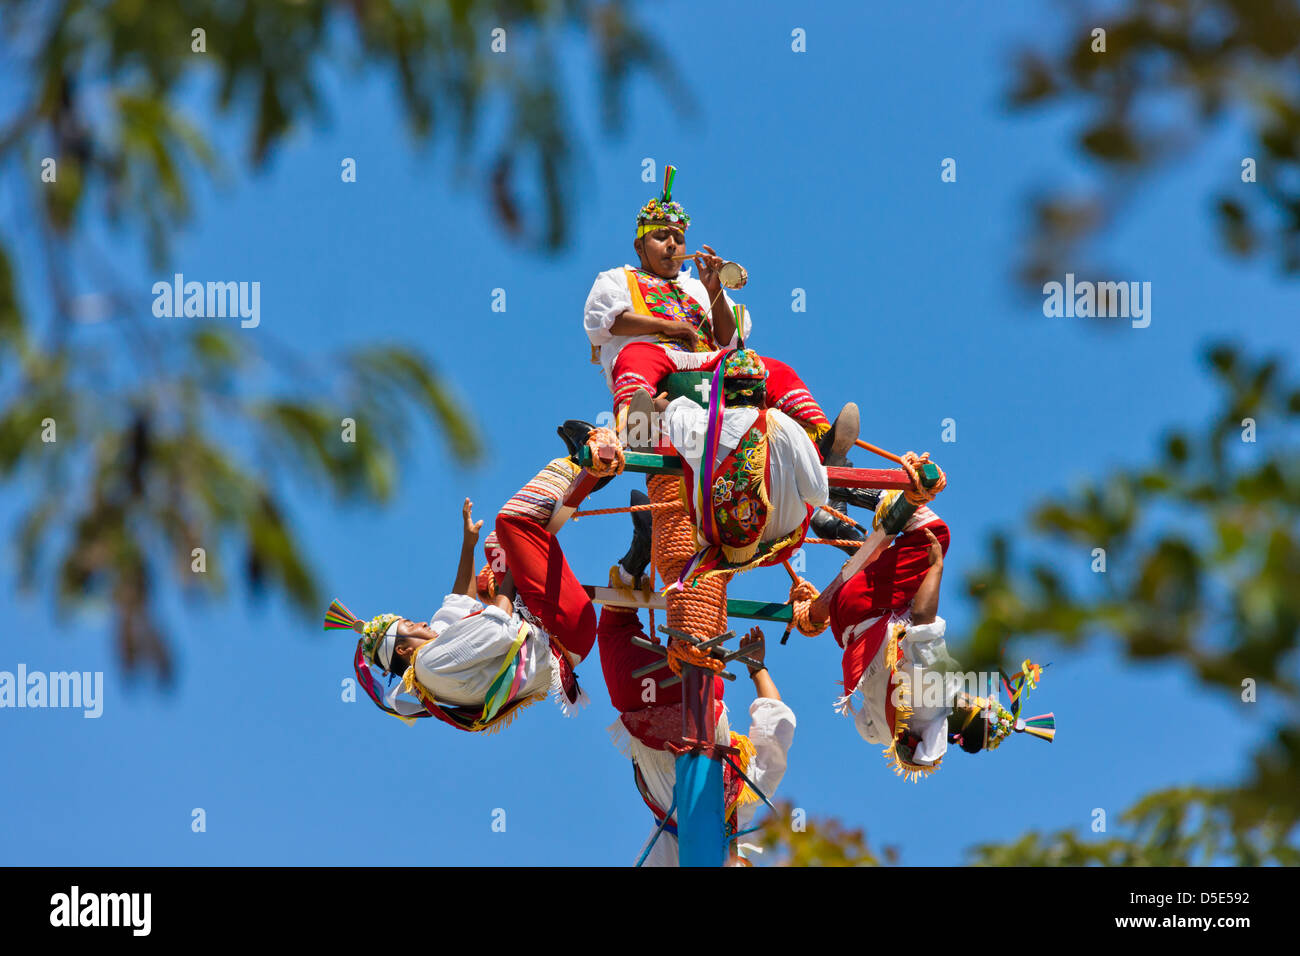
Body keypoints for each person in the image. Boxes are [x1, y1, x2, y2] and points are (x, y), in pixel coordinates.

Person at [325, 427, 628, 733]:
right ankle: (581, 461)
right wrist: (513, 573)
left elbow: (457, 602)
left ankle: (595, 490)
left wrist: (468, 545)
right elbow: (496, 627)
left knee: (494, 546)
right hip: (561, 629)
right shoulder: (429, 664)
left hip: (560, 631)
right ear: (402, 650)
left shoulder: (432, 661)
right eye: (410, 626)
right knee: (511, 522)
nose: (419, 623)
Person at [582, 164, 857, 462]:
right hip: (656, 354)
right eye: (661, 237)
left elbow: (729, 340)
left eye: (678, 238)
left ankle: (823, 441)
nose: (672, 244)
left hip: (707, 361)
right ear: (639, 246)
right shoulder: (618, 278)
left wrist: (714, 290)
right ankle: (637, 428)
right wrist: (671, 327)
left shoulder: (696, 286)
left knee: (773, 369)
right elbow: (607, 323)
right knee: (635, 355)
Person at [811, 495, 1054, 779]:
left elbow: (923, 620)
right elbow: (864, 725)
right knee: (905, 587)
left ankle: (857, 488)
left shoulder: (942, 691)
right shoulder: (894, 731)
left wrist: (936, 566)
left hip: (865, 606)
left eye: (977, 701)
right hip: (845, 627)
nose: (973, 696)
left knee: (936, 535)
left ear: (971, 709)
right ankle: (835, 525)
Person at [599, 603, 796, 866]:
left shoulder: (749, 792)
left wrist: (757, 668)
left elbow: (776, 722)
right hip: (660, 694)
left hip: (676, 694)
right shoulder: (747, 795)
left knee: (677, 612)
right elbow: (775, 723)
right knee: (626, 620)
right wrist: (756, 667)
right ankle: (640, 577)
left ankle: (653, 578)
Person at [655, 348, 829, 585]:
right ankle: (825, 457)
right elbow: (818, 495)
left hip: (720, 551)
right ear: (764, 394)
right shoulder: (785, 425)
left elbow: (672, 411)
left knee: (688, 455)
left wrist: (657, 403)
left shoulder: (697, 423)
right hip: (778, 546)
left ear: (721, 394)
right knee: (807, 470)